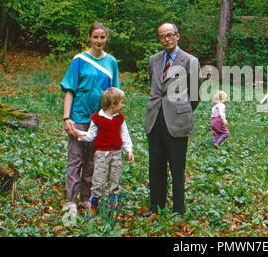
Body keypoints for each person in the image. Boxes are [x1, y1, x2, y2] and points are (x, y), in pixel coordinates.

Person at [143, 22, 201, 221]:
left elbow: (195, 94)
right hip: (155, 119)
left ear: (178, 36)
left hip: (177, 121)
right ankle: (156, 205)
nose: (166, 39)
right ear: (159, 39)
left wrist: (182, 110)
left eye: (170, 35)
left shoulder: (190, 61)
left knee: (177, 167)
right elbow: (155, 85)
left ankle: (178, 209)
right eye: (162, 36)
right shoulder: (153, 60)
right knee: (156, 165)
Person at [61, 22, 120, 214]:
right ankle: (70, 202)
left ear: (106, 39)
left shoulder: (111, 62)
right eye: (95, 36)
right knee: (75, 159)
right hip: (78, 116)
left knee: (92, 161)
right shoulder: (79, 60)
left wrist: (114, 121)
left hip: (100, 120)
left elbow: (115, 95)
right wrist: (66, 117)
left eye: (102, 37)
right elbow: (70, 90)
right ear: (89, 38)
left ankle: (86, 198)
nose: (99, 40)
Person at [74, 87, 134, 219]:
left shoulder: (120, 119)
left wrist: (128, 150)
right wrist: (79, 133)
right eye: (122, 102)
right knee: (98, 181)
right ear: (113, 103)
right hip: (101, 155)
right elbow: (91, 135)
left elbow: (125, 135)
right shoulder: (97, 119)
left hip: (116, 154)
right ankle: (93, 207)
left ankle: (113, 207)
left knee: (115, 180)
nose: (123, 105)